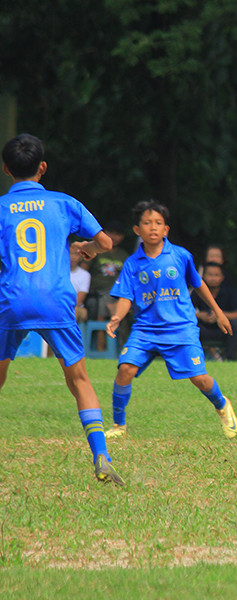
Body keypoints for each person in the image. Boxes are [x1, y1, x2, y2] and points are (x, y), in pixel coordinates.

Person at [0, 133, 123, 485]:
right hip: (55, 298)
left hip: (12, 298)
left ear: (6, 169)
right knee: (79, 379)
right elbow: (106, 242)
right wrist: (86, 248)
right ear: (42, 168)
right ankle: (101, 455)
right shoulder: (63, 203)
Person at [104, 200, 237, 440]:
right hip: (145, 329)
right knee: (125, 369)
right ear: (137, 230)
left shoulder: (180, 256)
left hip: (180, 328)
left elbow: (199, 286)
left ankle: (221, 404)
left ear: (166, 229)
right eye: (147, 223)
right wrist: (117, 317)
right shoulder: (132, 264)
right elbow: (125, 296)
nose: (153, 227)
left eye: (158, 223)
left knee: (199, 378)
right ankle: (118, 426)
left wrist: (218, 312)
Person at [86, 221, 130, 350]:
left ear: (122, 237)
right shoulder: (97, 250)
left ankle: (117, 346)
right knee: (104, 299)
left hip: (117, 294)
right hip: (96, 293)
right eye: (111, 233)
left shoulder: (124, 256)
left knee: (113, 299)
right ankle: (101, 346)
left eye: (118, 234)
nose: (114, 237)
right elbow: (84, 270)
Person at [192, 261, 237, 361]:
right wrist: (200, 316)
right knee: (191, 324)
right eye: (210, 275)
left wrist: (220, 316)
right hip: (203, 328)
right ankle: (195, 358)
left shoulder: (229, 292)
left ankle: (231, 359)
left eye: (216, 275)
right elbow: (185, 312)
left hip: (223, 329)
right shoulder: (196, 292)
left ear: (222, 277)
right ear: (203, 276)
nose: (213, 278)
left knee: (236, 323)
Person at [69, 244, 91, 323]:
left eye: (76, 254)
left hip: (75, 307)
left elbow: (79, 299)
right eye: (70, 253)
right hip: (57, 304)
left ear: (81, 257)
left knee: (74, 311)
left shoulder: (85, 275)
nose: (73, 257)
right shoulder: (57, 272)